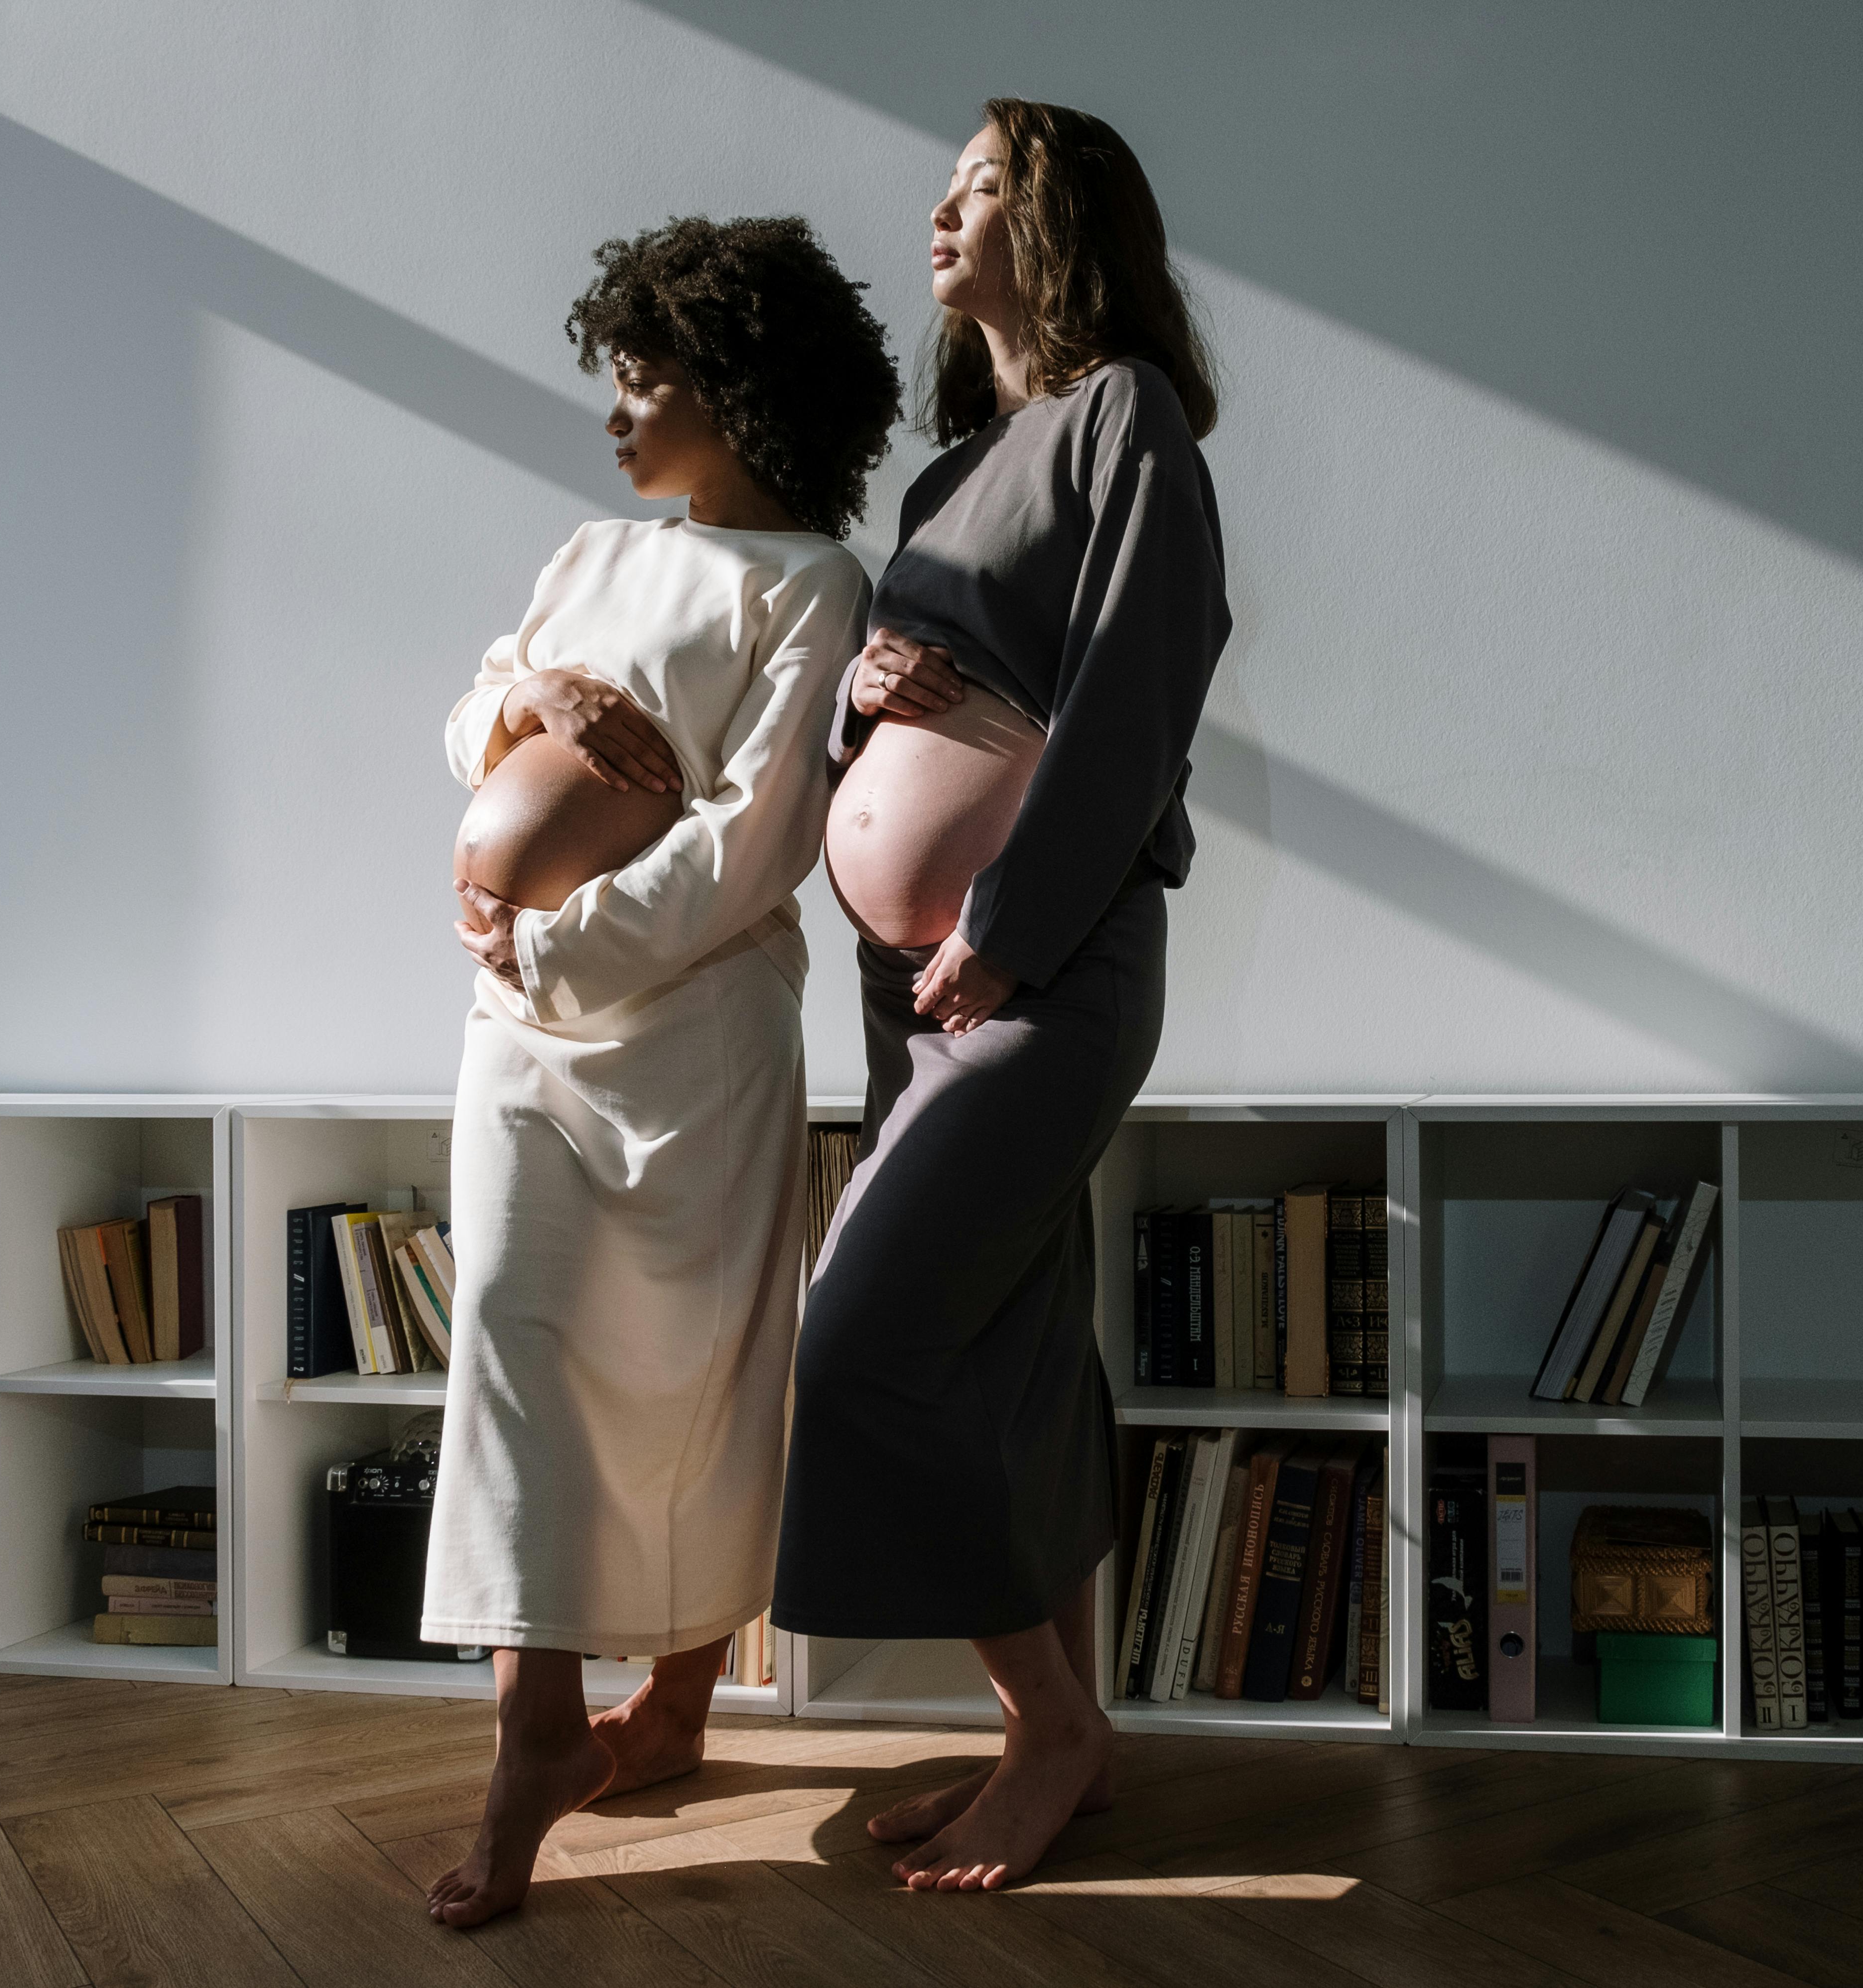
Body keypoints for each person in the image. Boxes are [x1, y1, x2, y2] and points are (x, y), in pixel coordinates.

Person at [419, 214, 899, 1928]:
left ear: (743, 391)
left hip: (690, 1038)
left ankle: (678, 1709)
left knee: (694, 1370)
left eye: (648, 379)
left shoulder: (813, 585)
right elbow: (473, 712)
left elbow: (757, 843)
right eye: (615, 378)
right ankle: (531, 1733)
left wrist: (548, 936)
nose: (619, 414)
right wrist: (527, 694)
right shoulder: (584, 551)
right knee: (508, 1336)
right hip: (519, 1042)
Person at [772, 99, 1231, 1893]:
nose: (940, 211)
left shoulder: (1127, 424)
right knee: (1011, 1354)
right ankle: (1074, 1733)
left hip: (1043, 973)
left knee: (866, 1333)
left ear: (1058, 221)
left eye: (978, 187)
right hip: (926, 990)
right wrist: (859, 703)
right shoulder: (949, 477)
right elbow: (906, 733)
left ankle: (1044, 1730)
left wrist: (1018, 925)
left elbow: (1135, 691)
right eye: (944, 189)